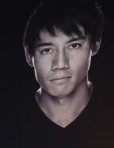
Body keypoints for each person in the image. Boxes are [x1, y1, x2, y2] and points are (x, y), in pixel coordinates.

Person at [23, 0, 104, 128]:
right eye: (47, 50)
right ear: (28, 55)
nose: (60, 64)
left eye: (74, 45)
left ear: (95, 45)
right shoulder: (5, 120)